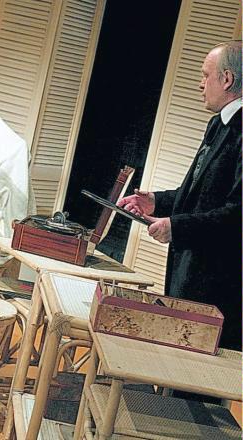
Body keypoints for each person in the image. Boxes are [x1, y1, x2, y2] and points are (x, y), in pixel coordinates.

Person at [118, 40, 242, 351]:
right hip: (190, 271)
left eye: (205, 75)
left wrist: (176, 226)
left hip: (219, 284)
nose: (200, 84)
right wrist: (156, 201)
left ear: (227, 79)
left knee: (197, 373)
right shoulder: (218, 124)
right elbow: (201, 194)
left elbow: (238, 214)